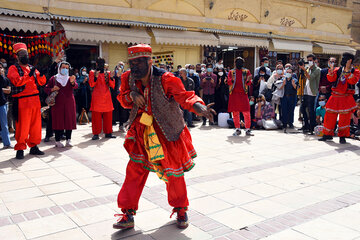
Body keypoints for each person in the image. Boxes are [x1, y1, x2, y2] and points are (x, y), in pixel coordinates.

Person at [114, 44, 214, 230]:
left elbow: (185, 97)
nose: (134, 67)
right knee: (134, 171)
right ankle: (127, 214)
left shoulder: (167, 79)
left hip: (167, 131)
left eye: (138, 63)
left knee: (173, 173)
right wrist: (132, 96)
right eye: (131, 63)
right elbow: (122, 99)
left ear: (150, 61)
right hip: (142, 131)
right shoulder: (128, 78)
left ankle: (181, 210)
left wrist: (199, 107)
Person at [7, 43, 46, 159]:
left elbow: (41, 82)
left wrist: (42, 74)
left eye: (26, 53)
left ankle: (34, 146)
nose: (25, 55)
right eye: (22, 54)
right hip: (22, 101)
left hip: (35, 100)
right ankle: (20, 148)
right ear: (17, 56)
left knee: (36, 125)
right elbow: (17, 81)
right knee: (22, 126)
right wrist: (29, 74)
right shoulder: (13, 68)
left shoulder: (31, 67)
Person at [319, 52, 360, 144]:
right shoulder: (337, 69)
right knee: (329, 116)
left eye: (345, 59)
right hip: (334, 97)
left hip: (346, 97)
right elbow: (331, 79)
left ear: (350, 61)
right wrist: (331, 69)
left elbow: (352, 81)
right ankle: (327, 134)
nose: (343, 60)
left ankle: (342, 136)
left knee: (344, 119)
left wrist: (348, 70)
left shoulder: (355, 71)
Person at [45, 62, 77, 147]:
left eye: (67, 68)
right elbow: (46, 88)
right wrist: (52, 89)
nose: (65, 69)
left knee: (69, 120)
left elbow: (76, 86)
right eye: (63, 67)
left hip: (69, 103)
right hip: (57, 104)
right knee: (58, 121)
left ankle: (68, 140)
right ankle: (57, 140)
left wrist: (73, 82)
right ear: (59, 68)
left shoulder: (70, 78)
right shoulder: (54, 78)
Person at [89, 57, 116, 140]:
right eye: (99, 63)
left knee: (108, 115)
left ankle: (108, 132)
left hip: (106, 96)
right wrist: (96, 77)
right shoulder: (92, 72)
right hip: (97, 97)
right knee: (96, 116)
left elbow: (112, 85)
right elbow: (91, 84)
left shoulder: (107, 73)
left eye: (102, 63)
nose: (101, 65)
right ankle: (96, 133)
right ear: (96, 64)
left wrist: (111, 78)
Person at [227, 57, 253, 136]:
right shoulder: (231, 72)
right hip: (234, 95)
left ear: (243, 64)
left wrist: (248, 80)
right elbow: (228, 82)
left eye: (241, 62)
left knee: (246, 112)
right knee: (235, 113)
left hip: (243, 94)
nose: (239, 64)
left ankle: (248, 129)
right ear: (235, 63)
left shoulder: (246, 71)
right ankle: (237, 129)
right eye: (237, 62)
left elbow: (249, 83)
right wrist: (232, 79)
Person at [299, 54, 321, 134]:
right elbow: (305, 77)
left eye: (311, 60)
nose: (309, 62)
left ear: (314, 61)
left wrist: (304, 69)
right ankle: (306, 125)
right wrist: (303, 70)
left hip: (312, 93)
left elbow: (310, 77)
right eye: (308, 60)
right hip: (306, 92)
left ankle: (312, 127)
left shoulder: (317, 70)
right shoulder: (308, 69)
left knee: (311, 110)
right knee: (302, 108)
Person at [111, 62, 129, 132]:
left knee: (123, 110)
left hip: (123, 94)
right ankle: (111, 125)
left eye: (122, 65)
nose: (120, 67)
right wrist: (115, 75)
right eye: (119, 65)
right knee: (115, 110)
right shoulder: (114, 73)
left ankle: (121, 125)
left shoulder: (125, 73)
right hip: (115, 94)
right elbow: (110, 80)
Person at [280, 67, 298, 131]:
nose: (288, 73)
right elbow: (279, 88)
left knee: (291, 110)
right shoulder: (283, 79)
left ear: (292, 73)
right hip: (284, 96)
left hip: (292, 96)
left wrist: (293, 84)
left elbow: (297, 88)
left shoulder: (294, 80)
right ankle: (284, 123)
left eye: (290, 72)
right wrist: (283, 84)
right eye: (287, 72)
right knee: (284, 110)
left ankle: (290, 123)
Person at [0, 62, 12, 148]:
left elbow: (9, 90)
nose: (0, 69)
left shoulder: (5, 79)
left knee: (4, 124)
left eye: (1, 67)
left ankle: (7, 143)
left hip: (2, 104)